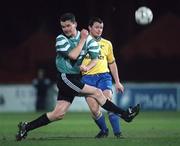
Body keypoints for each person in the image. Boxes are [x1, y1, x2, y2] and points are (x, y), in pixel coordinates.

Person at [15, 13, 140, 141]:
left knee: (58, 114)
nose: (66, 29)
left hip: (74, 78)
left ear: (75, 24)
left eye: (68, 25)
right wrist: (82, 40)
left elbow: (95, 58)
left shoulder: (88, 39)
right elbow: (74, 55)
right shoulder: (61, 39)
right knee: (97, 93)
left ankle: (26, 127)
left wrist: (88, 67)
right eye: (63, 26)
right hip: (65, 78)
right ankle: (125, 114)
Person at [81, 17, 124, 138]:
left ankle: (118, 133)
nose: (99, 30)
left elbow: (112, 63)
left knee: (108, 102)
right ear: (90, 28)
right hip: (87, 79)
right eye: (97, 27)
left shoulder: (107, 44)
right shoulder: (82, 43)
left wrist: (118, 82)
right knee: (94, 110)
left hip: (104, 77)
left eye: (101, 27)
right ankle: (104, 130)